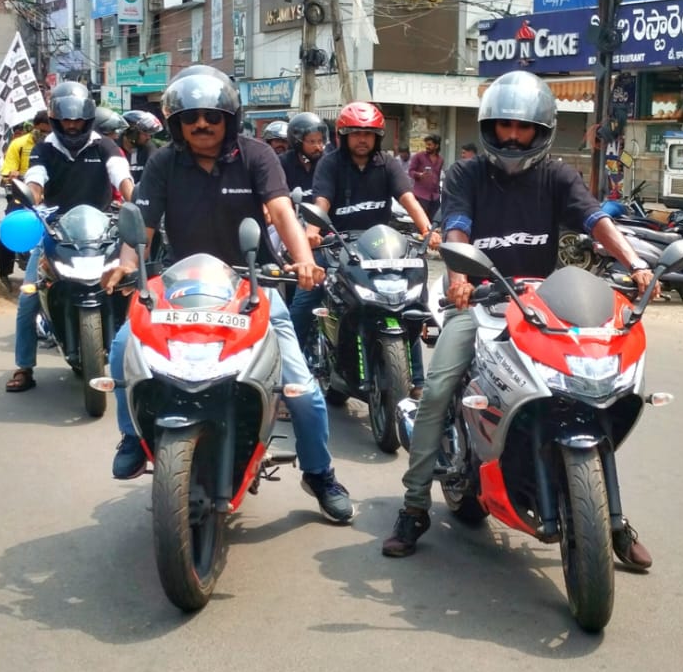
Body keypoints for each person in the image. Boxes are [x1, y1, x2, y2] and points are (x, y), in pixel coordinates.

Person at [383, 72, 656, 566]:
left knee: (591, 391)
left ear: (541, 130)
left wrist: (635, 263)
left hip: (541, 307)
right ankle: (415, 505)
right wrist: (459, 277)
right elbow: (457, 228)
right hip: (480, 301)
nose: (511, 136)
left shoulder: (558, 176)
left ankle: (610, 519)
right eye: (503, 126)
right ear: (489, 127)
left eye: (522, 128)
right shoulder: (465, 174)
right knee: (439, 389)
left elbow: (596, 220)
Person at [100, 66, 353, 520]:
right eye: (191, 117)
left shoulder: (257, 156)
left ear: (229, 119)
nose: (202, 124)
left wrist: (304, 260)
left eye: (212, 116)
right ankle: (133, 436)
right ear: (177, 123)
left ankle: (319, 473)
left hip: (253, 288)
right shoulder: (162, 163)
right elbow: (144, 225)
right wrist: (128, 264)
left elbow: (281, 211)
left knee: (303, 393)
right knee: (122, 350)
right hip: (179, 290)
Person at [4, 82, 132, 394]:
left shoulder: (105, 146)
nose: (72, 126)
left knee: (134, 287)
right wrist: (31, 195)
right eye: (65, 121)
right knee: (28, 296)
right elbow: (36, 180)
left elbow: (121, 175)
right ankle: (24, 366)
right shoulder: (44, 149)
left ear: (88, 120)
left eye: (77, 121)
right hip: (55, 232)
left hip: (102, 234)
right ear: (55, 121)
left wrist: (136, 200)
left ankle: (140, 362)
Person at [298, 101, 436, 390]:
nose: (363, 139)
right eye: (356, 133)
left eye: (369, 134)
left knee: (408, 302)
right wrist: (312, 231)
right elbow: (322, 200)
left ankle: (417, 381)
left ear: (377, 137)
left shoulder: (388, 164)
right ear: (343, 135)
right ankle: (292, 377)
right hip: (337, 243)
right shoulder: (330, 163)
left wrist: (427, 230)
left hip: (380, 247)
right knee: (304, 301)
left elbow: (408, 198)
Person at [0, 110, 52, 279]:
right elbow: (7, 170)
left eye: (49, 131)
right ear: (33, 127)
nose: (45, 135)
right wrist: (11, 174)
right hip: (24, 196)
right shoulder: (19, 144)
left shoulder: (58, 146)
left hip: (51, 197)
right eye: (41, 131)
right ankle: (4, 274)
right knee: (9, 228)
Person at [280, 109, 327, 195]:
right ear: (298, 142)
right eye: (312, 142)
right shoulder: (282, 164)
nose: (317, 147)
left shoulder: (328, 163)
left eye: (320, 141)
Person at [406, 133, 444, 223]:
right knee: (421, 222)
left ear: (436, 146)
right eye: (426, 144)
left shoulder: (440, 160)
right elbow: (410, 171)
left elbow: (437, 176)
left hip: (435, 196)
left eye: (430, 145)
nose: (427, 147)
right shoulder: (419, 156)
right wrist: (419, 175)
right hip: (421, 195)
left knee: (435, 222)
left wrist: (438, 191)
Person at [121, 108, 164, 182]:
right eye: (145, 134)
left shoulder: (150, 149)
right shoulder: (113, 148)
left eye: (150, 134)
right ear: (131, 131)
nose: (148, 137)